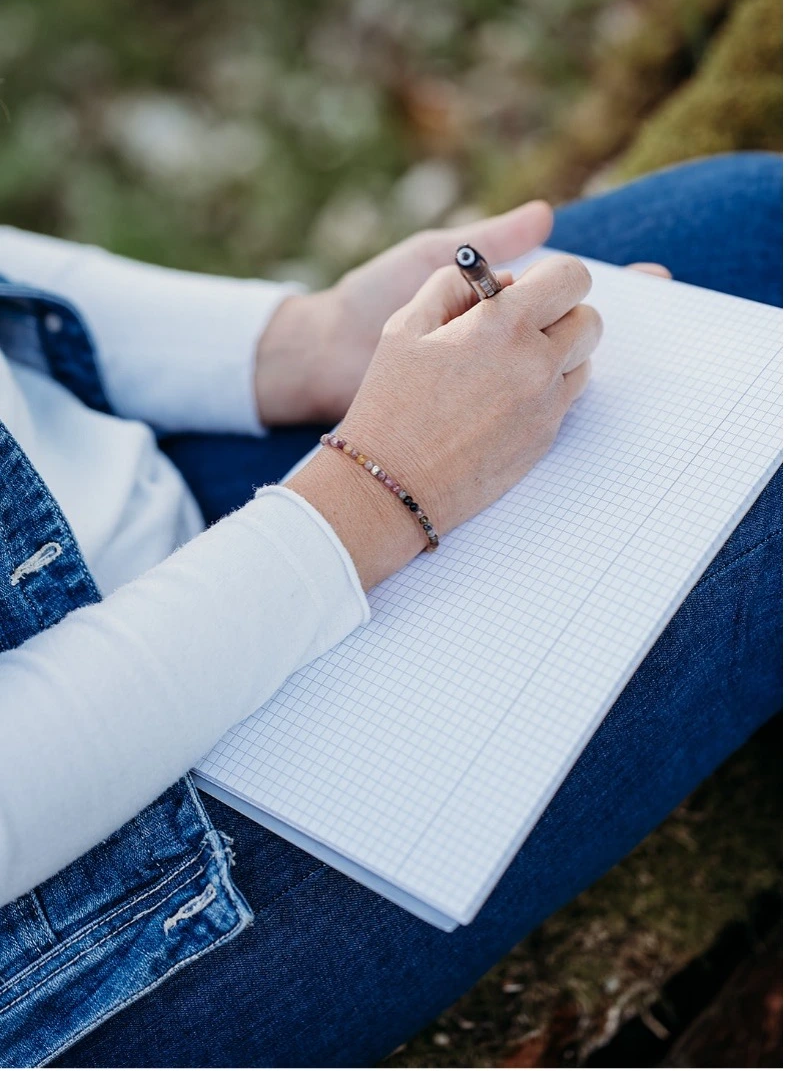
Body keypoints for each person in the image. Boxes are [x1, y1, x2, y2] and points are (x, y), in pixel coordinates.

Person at [0, 153, 780, 1068]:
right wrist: (373, 497)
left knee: (754, 228)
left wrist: (298, 344)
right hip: (83, 886)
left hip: (134, 514)